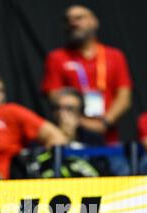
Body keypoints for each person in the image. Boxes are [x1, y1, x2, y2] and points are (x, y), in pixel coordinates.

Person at [41, 5, 133, 146]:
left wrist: (105, 122)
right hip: (73, 135)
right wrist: (81, 121)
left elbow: (124, 97)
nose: (73, 23)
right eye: (68, 20)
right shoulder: (57, 58)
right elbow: (55, 96)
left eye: (79, 18)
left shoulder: (115, 56)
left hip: (109, 135)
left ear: (94, 21)